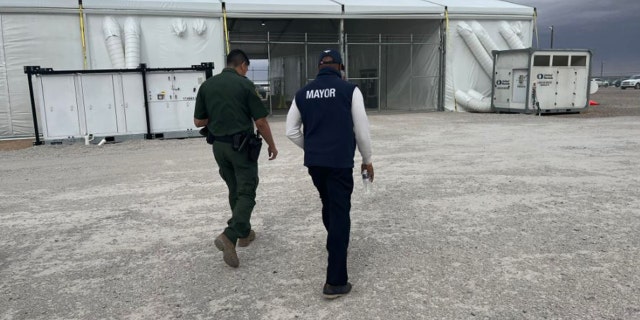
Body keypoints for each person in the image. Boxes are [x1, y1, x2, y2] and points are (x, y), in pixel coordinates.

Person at [285, 49, 374, 299]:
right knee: (340, 211)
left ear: (319, 67)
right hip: (339, 163)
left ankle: (335, 242)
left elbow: (291, 131)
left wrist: (312, 149)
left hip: (316, 164)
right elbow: (362, 130)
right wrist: (367, 161)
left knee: (329, 204)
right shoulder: (350, 91)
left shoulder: (302, 94)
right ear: (340, 67)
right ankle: (335, 281)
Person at [194, 49, 278, 268]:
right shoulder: (244, 85)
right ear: (242, 65)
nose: (246, 72)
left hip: (219, 147)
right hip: (240, 147)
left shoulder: (207, 85)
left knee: (234, 188)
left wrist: (218, 114)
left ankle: (245, 233)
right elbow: (260, 122)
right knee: (247, 190)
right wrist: (272, 144)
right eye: (246, 68)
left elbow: (198, 122)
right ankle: (230, 235)